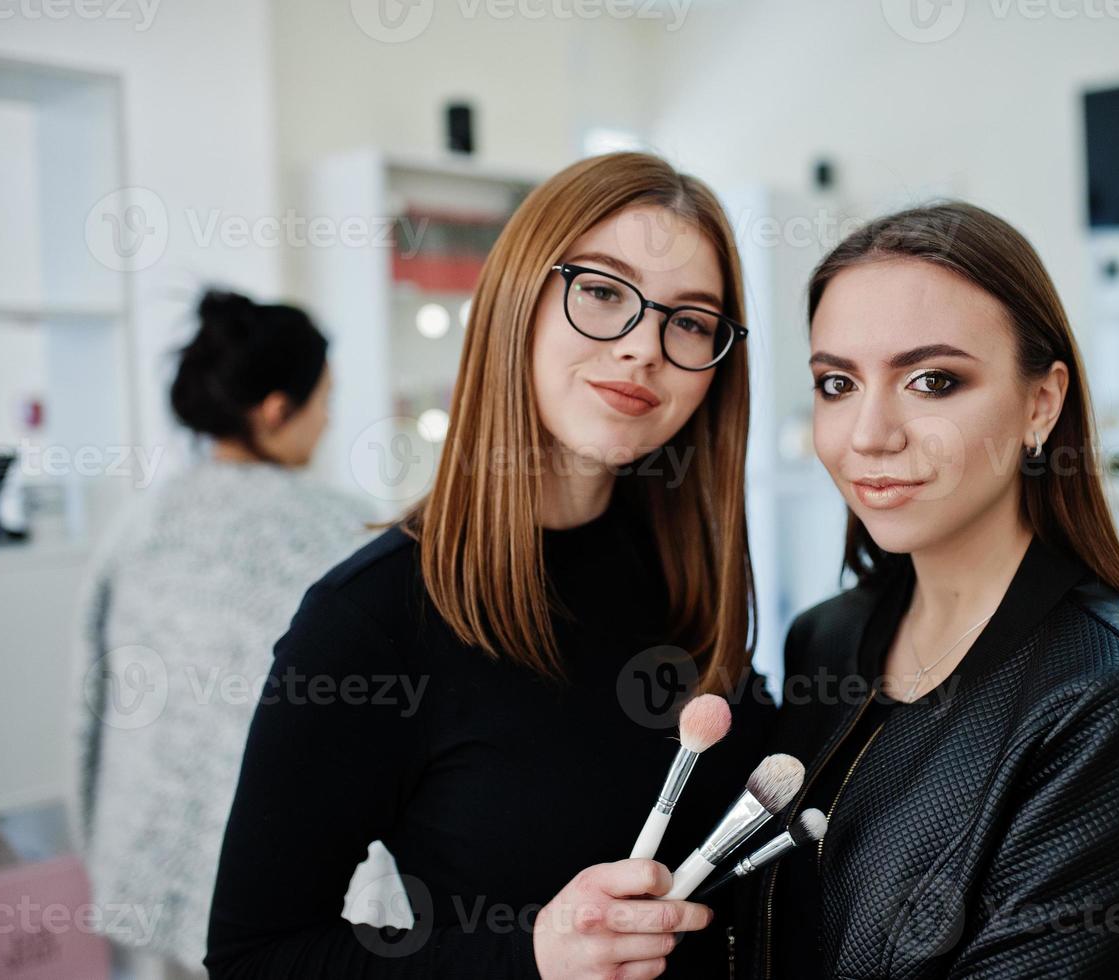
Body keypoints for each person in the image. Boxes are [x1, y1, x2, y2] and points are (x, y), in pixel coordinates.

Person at [204, 152, 778, 980]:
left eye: (690, 321)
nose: (645, 348)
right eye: (604, 293)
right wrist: (528, 957)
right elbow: (254, 959)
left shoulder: (689, 574)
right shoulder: (371, 620)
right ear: (517, 301)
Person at [739, 203, 1119, 979]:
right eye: (836, 382)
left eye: (931, 380)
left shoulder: (1114, 699)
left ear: (1040, 404)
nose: (868, 434)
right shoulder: (822, 638)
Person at [72, 289, 377, 978]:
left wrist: (100, 841)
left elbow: (87, 700)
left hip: (144, 853)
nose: (327, 420)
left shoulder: (138, 523)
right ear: (275, 410)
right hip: (281, 889)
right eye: (323, 399)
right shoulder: (343, 530)